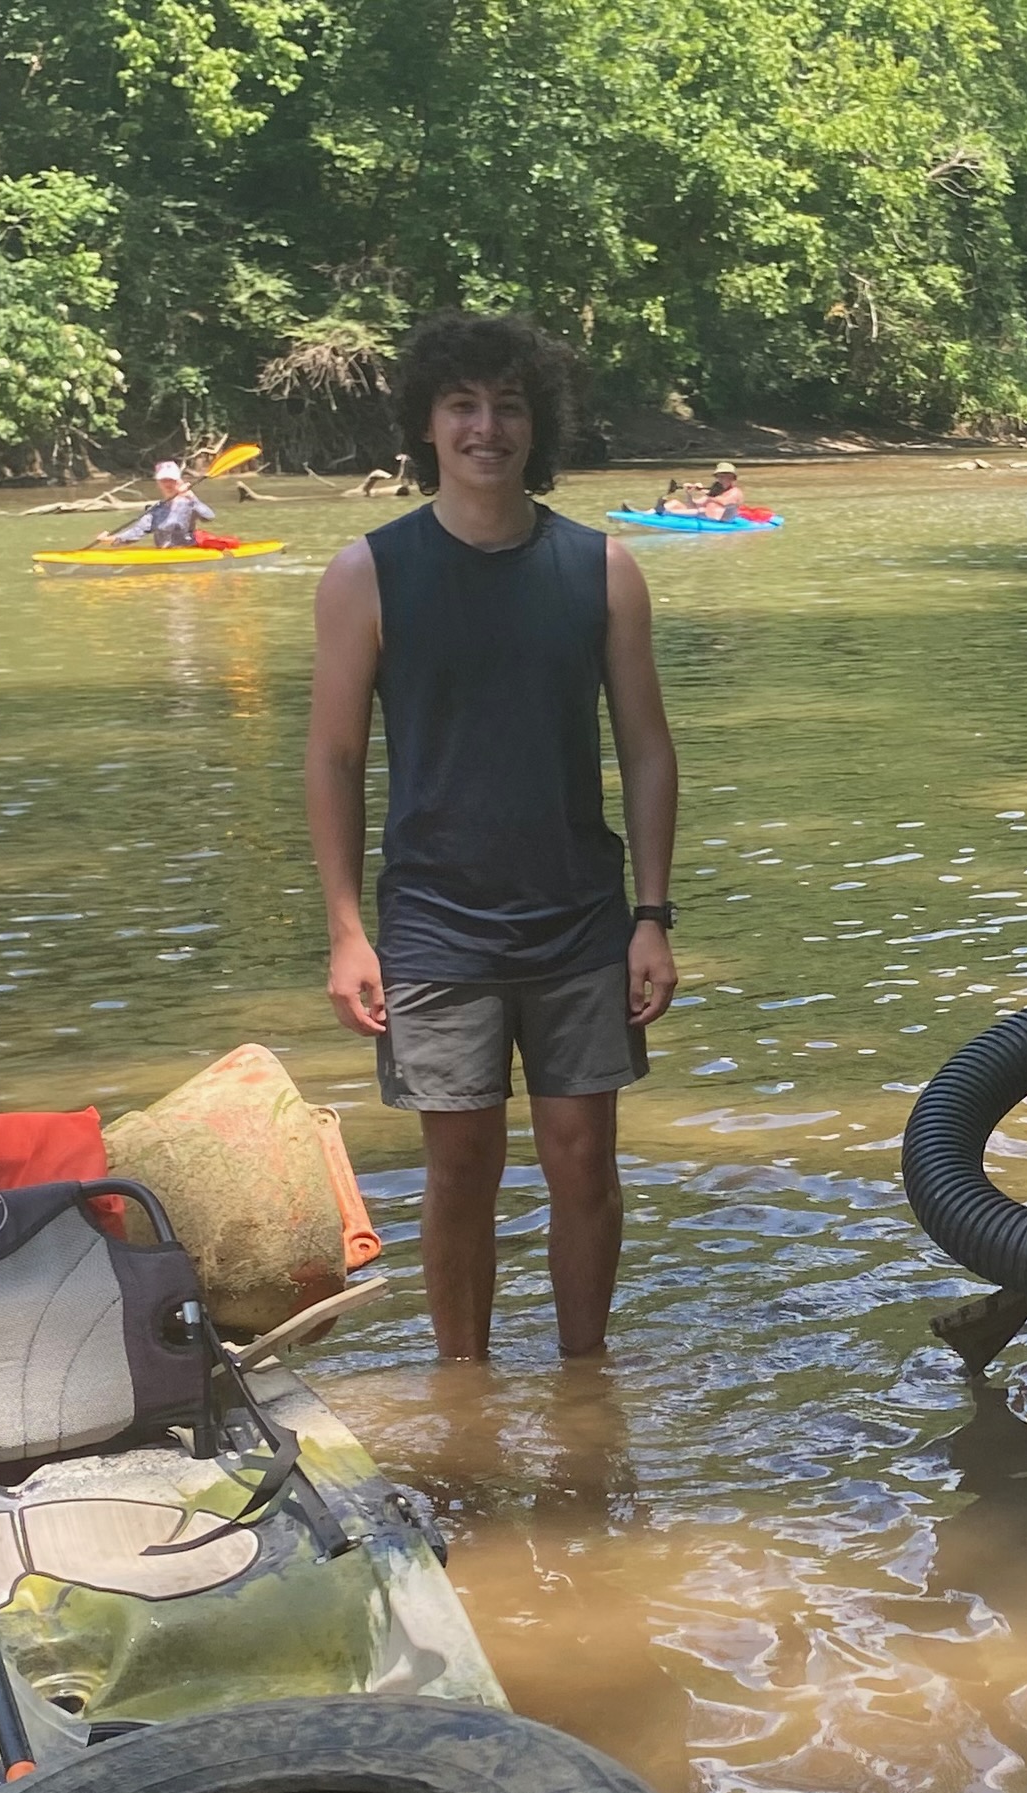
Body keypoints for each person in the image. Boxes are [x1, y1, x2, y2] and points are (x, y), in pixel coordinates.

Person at [305, 312, 680, 1363]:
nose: (487, 428)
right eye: (462, 406)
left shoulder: (601, 569)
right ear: (425, 426)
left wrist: (652, 916)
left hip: (580, 916)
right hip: (434, 924)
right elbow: (332, 759)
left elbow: (648, 751)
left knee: (583, 1162)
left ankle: (585, 1383)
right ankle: (462, 1384)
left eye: (509, 406)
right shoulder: (367, 574)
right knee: (461, 1167)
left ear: (536, 424)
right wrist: (346, 932)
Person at [101, 459, 222, 548]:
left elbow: (209, 517)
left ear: (178, 481)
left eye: (171, 480)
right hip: (164, 552)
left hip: (187, 549)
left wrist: (192, 497)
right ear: (158, 483)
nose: (168, 484)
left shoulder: (189, 503)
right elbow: (138, 531)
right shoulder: (155, 509)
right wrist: (113, 539)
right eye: (164, 480)